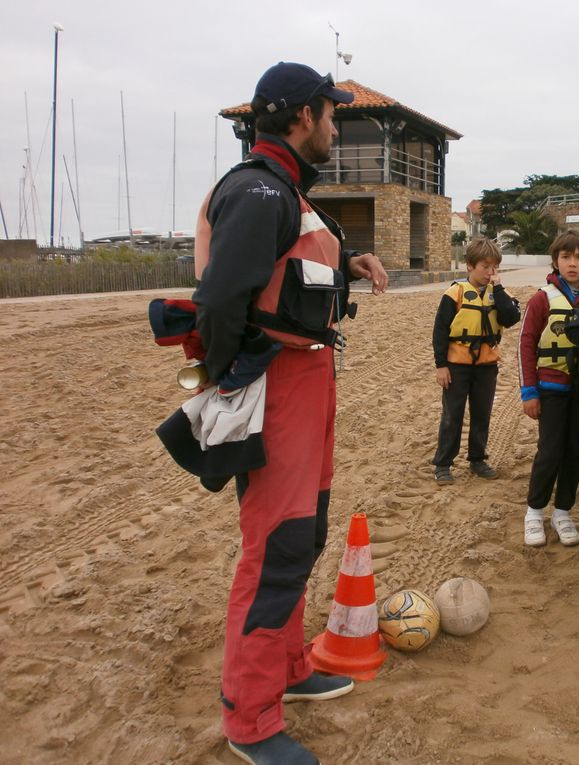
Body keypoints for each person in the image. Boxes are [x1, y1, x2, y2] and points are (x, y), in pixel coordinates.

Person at [192, 61, 388, 765]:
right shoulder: (257, 191)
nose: (337, 125)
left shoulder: (285, 190)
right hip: (277, 389)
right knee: (273, 548)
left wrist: (353, 260)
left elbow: (286, 272)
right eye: (331, 114)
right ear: (302, 116)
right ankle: (248, 718)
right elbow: (220, 303)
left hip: (308, 382)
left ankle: (289, 668)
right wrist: (233, 385)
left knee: (304, 537)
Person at [519, 229, 579, 547]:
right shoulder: (542, 298)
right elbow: (526, 343)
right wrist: (529, 391)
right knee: (550, 452)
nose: (572, 263)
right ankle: (534, 513)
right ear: (555, 260)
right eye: (566, 257)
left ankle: (563, 512)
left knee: (577, 453)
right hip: (551, 387)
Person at [431, 238, 520, 482]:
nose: (490, 273)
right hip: (457, 366)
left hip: (486, 367)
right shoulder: (455, 293)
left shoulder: (499, 293)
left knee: (482, 413)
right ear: (470, 266)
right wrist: (441, 366)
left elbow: (511, 318)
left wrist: (499, 289)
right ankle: (443, 464)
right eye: (485, 267)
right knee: (452, 415)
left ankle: (477, 459)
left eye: (495, 268)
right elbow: (439, 332)